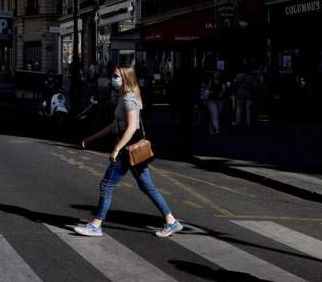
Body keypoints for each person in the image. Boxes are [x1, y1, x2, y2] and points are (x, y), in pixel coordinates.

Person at [75, 64, 183, 238]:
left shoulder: (128, 99)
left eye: (116, 76)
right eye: (113, 75)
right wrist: (92, 138)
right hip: (134, 150)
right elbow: (115, 125)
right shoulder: (124, 96)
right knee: (147, 187)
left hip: (127, 149)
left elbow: (132, 127)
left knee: (106, 185)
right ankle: (171, 221)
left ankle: (96, 225)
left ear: (126, 79)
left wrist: (117, 149)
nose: (113, 79)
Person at [205, 71, 226, 135]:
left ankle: (211, 129)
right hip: (212, 100)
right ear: (213, 74)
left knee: (216, 115)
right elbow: (207, 89)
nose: (217, 74)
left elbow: (224, 89)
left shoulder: (222, 81)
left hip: (220, 101)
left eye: (218, 73)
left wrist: (222, 93)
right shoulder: (210, 81)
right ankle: (217, 129)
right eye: (216, 73)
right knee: (215, 115)